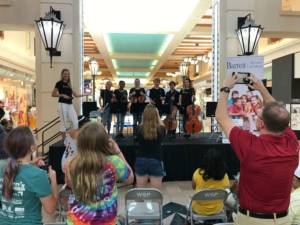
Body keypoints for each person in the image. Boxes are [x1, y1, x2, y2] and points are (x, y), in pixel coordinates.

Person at [216, 74, 299, 225]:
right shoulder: (292, 142)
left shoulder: (251, 146)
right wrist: (261, 89)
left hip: (252, 220)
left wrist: (225, 88)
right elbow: (279, 113)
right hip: (283, 220)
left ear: (260, 124)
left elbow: (221, 117)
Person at [66, 122, 134, 225]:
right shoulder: (113, 162)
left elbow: (70, 185)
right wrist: (118, 152)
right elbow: (130, 178)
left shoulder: (72, 164)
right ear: (105, 142)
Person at [0, 126, 58, 225]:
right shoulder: (38, 175)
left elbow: (18, 169)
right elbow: (50, 209)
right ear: (32, 147)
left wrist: (30, 164)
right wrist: (53, 180)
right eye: (34, 136)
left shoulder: (2, 166)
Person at [135, 104, 166, 189]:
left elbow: (142, 125)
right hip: (156, 160)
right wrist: (158, 115)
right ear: (156, 115)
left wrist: (144, 118)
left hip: (141, 160)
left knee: (140, 193)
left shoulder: (138, 129)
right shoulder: (161, 129)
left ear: (143, 115)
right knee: (156, 195)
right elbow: (162, 125)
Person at [192, 148, 230, 215]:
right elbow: (227, 189)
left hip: (199, 209)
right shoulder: (224, 175)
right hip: (218, 209)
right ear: (220, 161)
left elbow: (193, 187)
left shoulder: (197, 172)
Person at [52, 68, 88, 133]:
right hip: (62, 104)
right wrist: (62, 95)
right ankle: (64, 142)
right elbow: (53, 94)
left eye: (68, 74)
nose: (67, 75)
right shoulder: (59, 83)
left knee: (75, 122)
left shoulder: (69, 84)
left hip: (70, 105)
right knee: (63, 125)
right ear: (62, 75)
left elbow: (76, 95)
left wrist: (85, 94)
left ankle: (71, 139)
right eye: (65, 74)